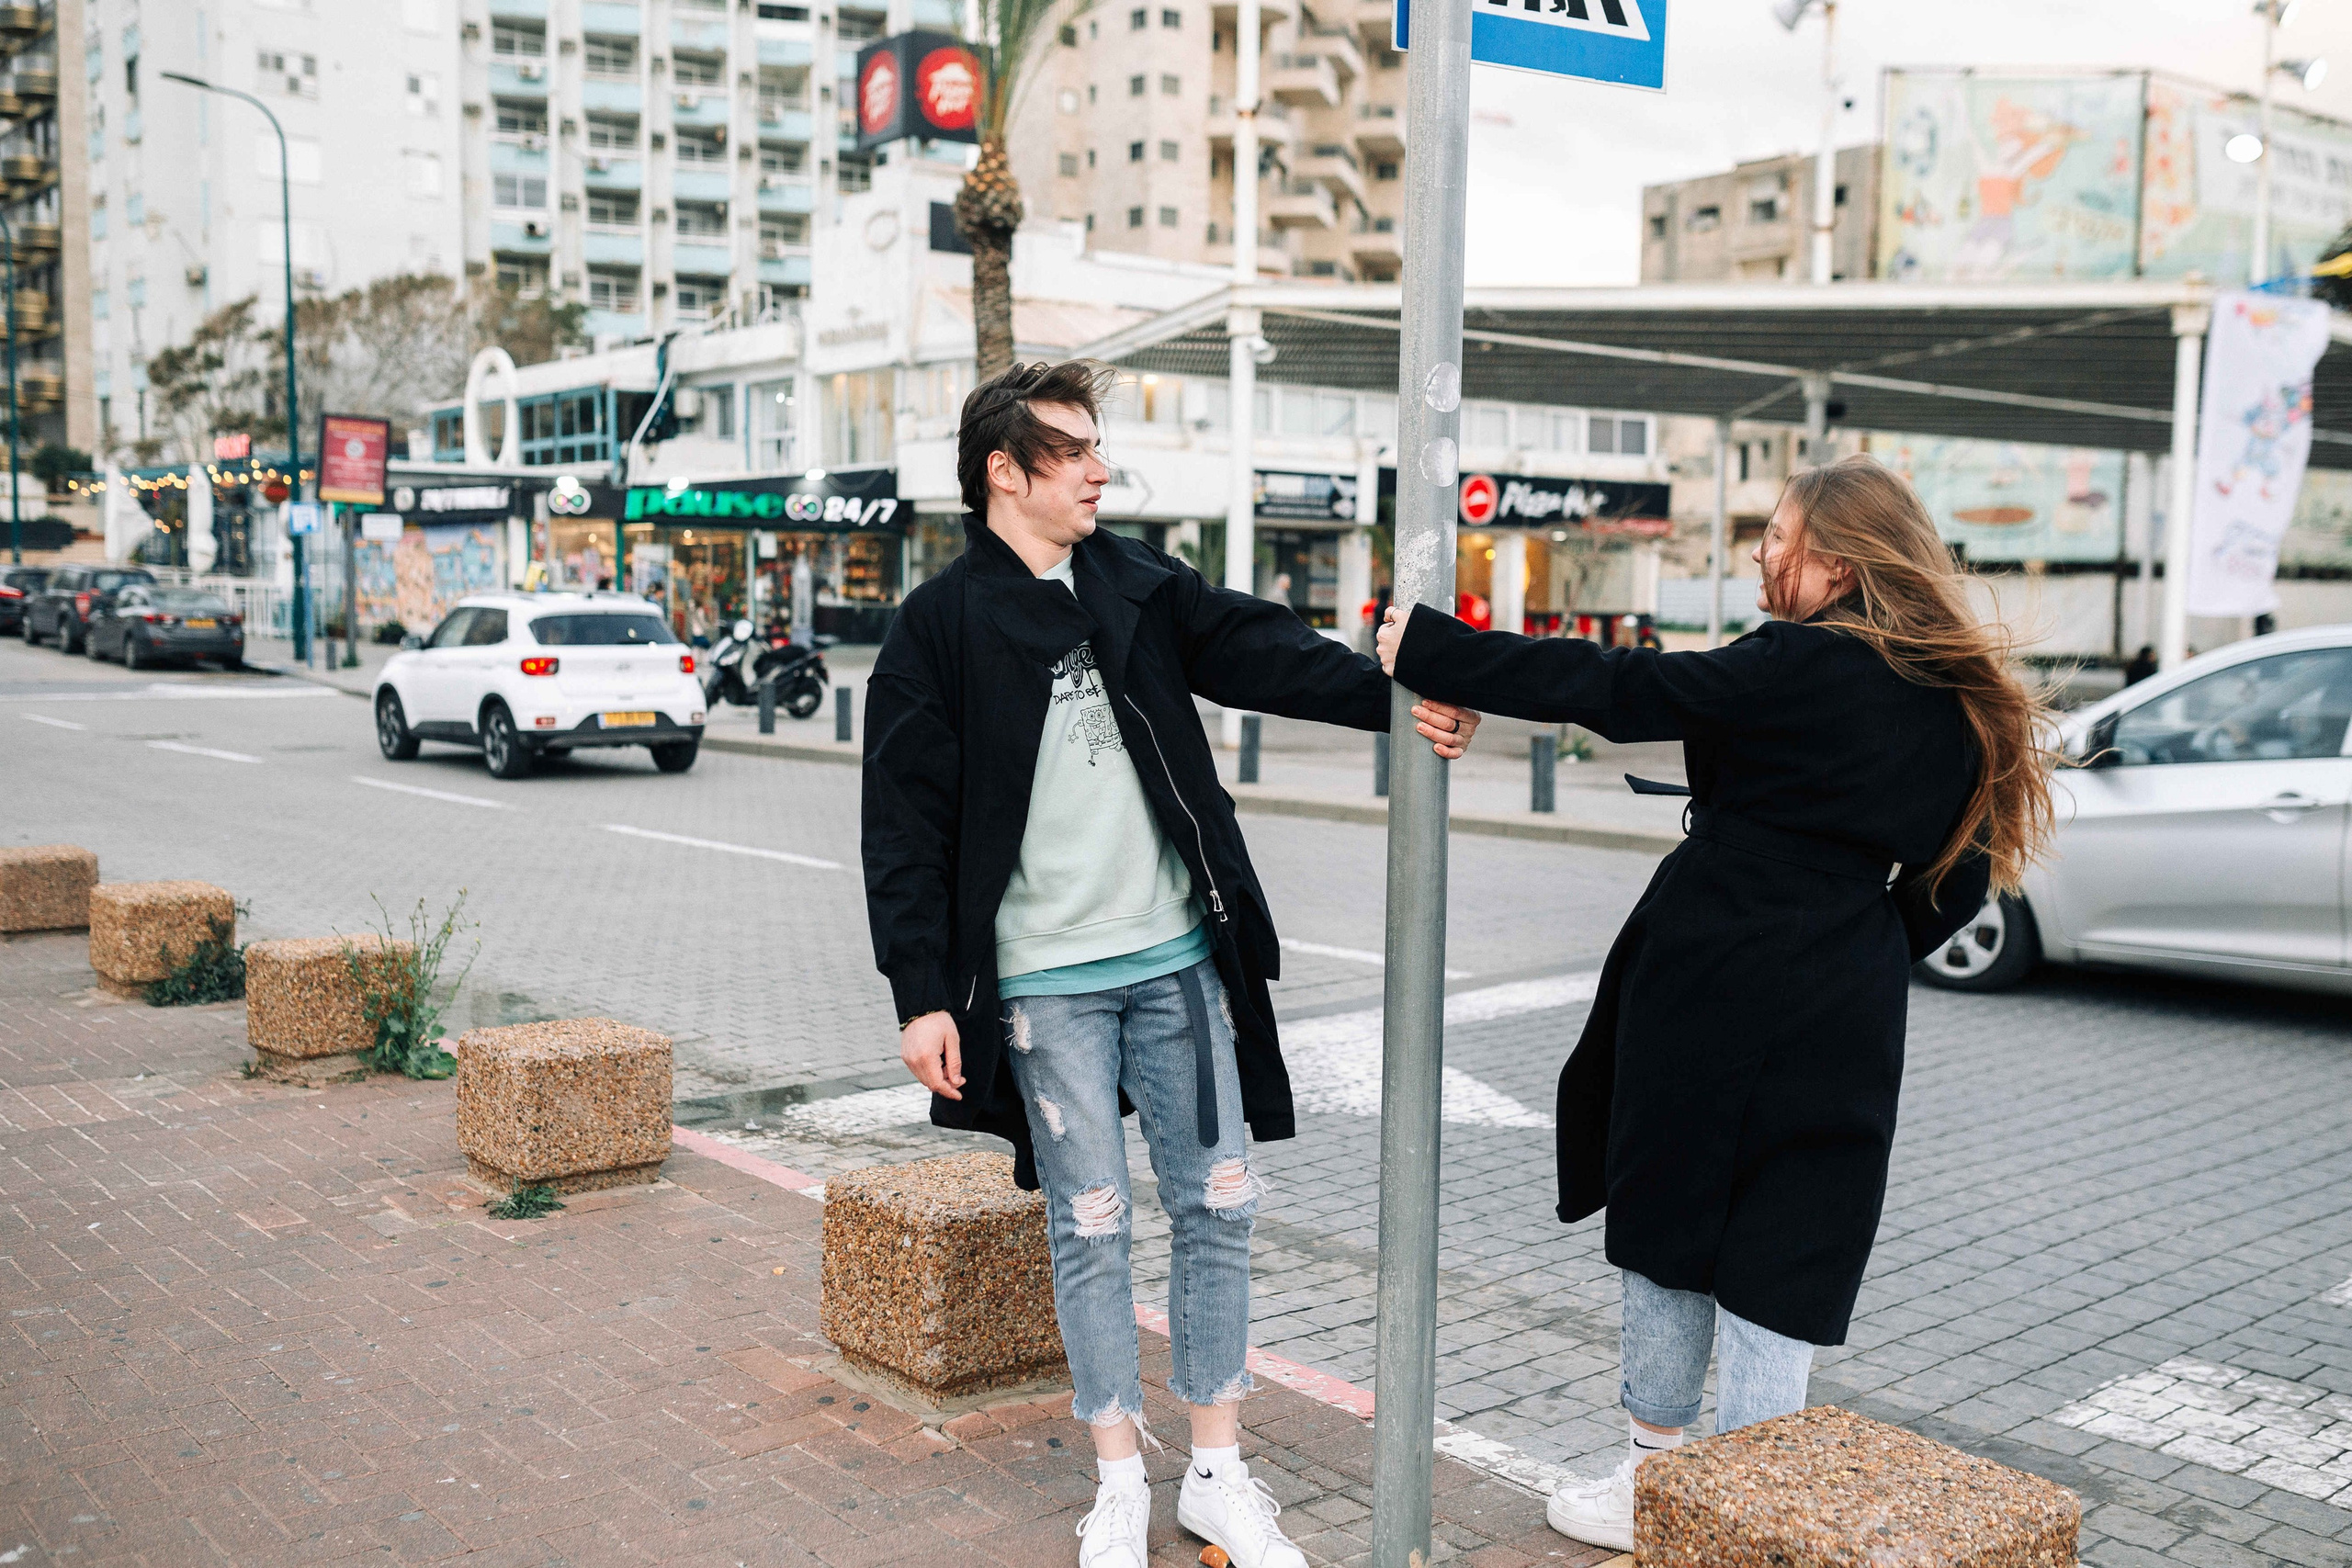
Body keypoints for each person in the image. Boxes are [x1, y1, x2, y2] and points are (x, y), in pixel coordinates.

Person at [863, 360, 1480, 1568]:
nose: (1101, 471)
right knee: (1090, 1223)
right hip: (1044, 982)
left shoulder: (1131, 582)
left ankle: (1215, 1470)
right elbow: (903, 825)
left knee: (1219, 1202)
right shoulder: (938, 626)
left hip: (1175, 961)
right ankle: (1115, 1480)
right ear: (1005, 472)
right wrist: (921, 994)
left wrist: (1399, 698)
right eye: (1074, 451)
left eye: (1099, 447)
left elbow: (1261, 651)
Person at [1376, 454, 2054, 1553]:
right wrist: (1864, 940)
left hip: (1713, 961)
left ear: (1838, 564)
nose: (1760, 552)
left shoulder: (1798, 658)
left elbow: (1621, 689)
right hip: (1847, 987)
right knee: (1799, 1229)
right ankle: (1750, 1509)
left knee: (1670, 1203)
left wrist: (1436, 649)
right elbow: (1965, 876)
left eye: (1778, 535)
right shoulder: (1955, 693)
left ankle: (1653, 1480)